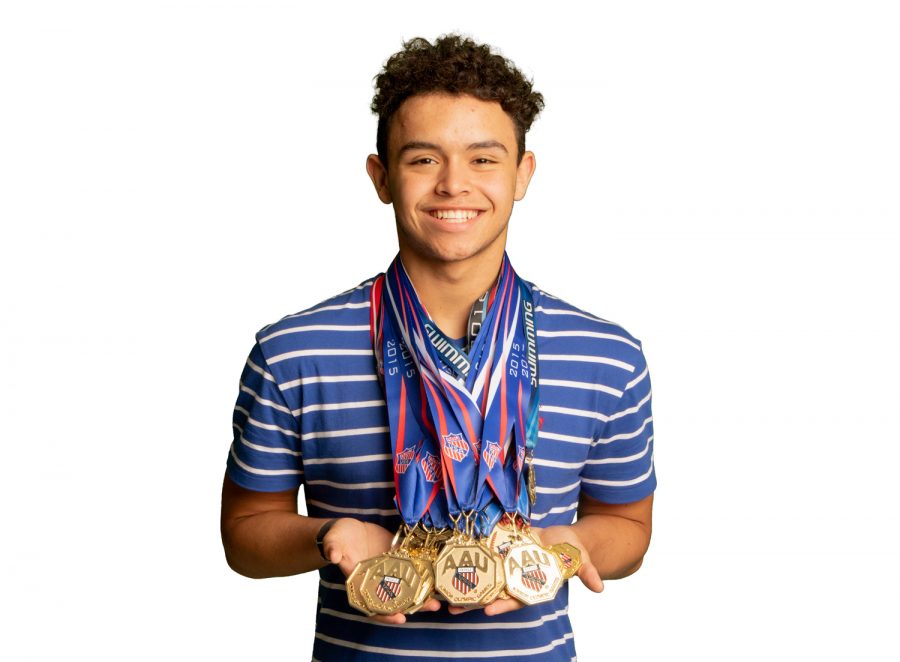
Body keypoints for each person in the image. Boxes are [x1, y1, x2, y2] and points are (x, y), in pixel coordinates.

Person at [221, 34, 656, 661]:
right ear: (380, 177)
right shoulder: (294, 351)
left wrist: (564, 547)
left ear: (523, 174)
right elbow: (244, 536)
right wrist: (328, 536)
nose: (455, 185)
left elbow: (629, 529)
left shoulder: (607, 355)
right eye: (424, 159)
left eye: (484, 159)